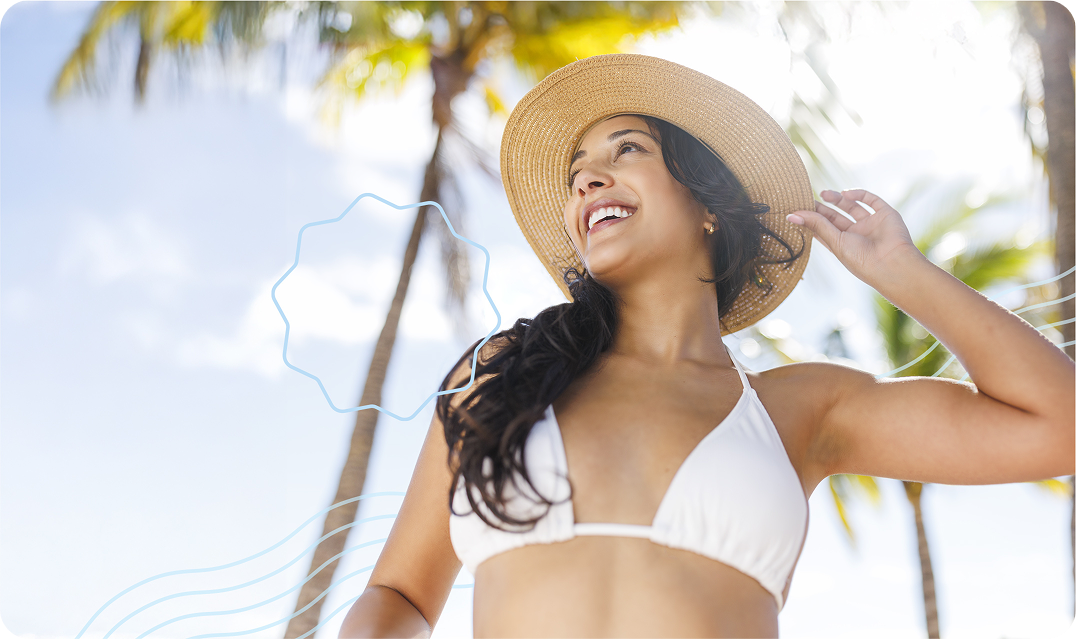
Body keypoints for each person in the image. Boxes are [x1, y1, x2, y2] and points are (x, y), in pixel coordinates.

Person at [339, 54, 1074, 639]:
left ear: (710, 205)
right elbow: (398, 592)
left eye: (627, 149)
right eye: (577, 171)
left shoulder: (799, 410)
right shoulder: (503, 377)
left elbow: (1060, 426)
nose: (590, 176)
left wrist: (899, 272)